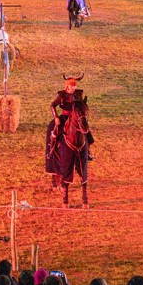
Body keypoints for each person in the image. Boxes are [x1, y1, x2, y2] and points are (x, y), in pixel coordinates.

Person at [45, 75, 94, 207]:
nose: (73, 88)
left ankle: (88, 151)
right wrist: (56, 117)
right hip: (64, 118)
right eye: (71, 86)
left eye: (75, 86)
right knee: (54, 131)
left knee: (86, 131)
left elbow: (82, 106)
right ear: (67, 86)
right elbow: (52, 106)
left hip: (76, 118)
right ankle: (52, 149)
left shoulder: (78, 95)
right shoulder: (61, 95)